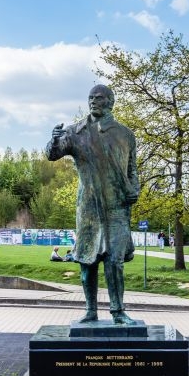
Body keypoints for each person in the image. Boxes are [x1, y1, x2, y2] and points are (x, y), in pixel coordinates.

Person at [46, 84, 140, 325]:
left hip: (117, 207)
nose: (93, 102)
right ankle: (90, 310)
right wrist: (54, 142)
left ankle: (118, 312)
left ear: (110, 102)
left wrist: (134, 190)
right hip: (88, 208)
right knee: (87, 261)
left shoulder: (125, 135)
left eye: (98, 98)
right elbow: (53, 154)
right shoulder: (76, 132)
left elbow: (132, 170)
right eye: (90, 98)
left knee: (115, 262)